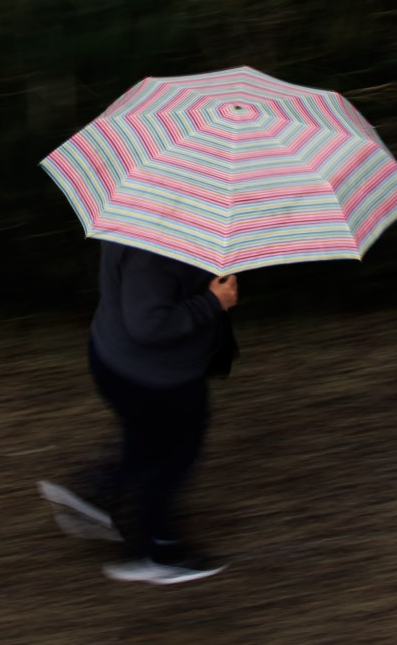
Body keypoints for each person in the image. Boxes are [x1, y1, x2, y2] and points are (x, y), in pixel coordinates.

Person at [38, 241, 239, 585]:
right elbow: (149, 325)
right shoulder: (158, 249)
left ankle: (99, 495)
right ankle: (151, 552)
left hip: (116, 357)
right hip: (154, 377)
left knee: (146, 439)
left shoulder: (142, 221)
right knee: (173, 454)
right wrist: (212, 302)